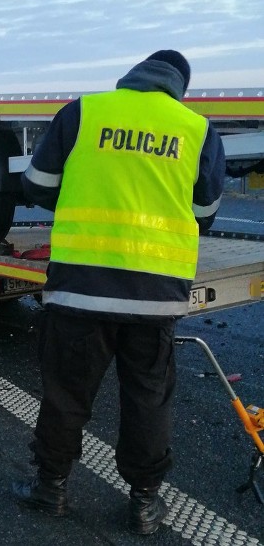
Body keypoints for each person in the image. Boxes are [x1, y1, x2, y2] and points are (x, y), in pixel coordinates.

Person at [12, 50, 226, 535]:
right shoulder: (197, 130)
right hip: (155, 297)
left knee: (66, 394)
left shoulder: (85, 112)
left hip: (81, 290)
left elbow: (38, 185)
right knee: (149, 400)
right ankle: (145, 506)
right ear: (179, 86)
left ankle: (51, 488)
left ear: (133, 76)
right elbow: (205, 210)